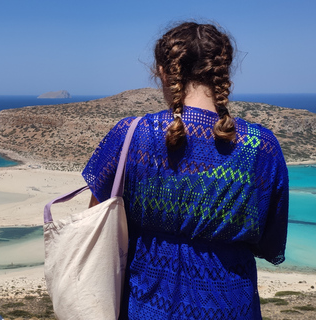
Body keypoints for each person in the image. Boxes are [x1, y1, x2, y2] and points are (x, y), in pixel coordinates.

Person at [82, 21, 289, 319]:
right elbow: (270, 242)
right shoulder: (262, 145)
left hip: (145, 303)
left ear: (163, 72)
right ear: (223, 72)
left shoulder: (132, 133)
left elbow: (95, 224)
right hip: (232, 306)